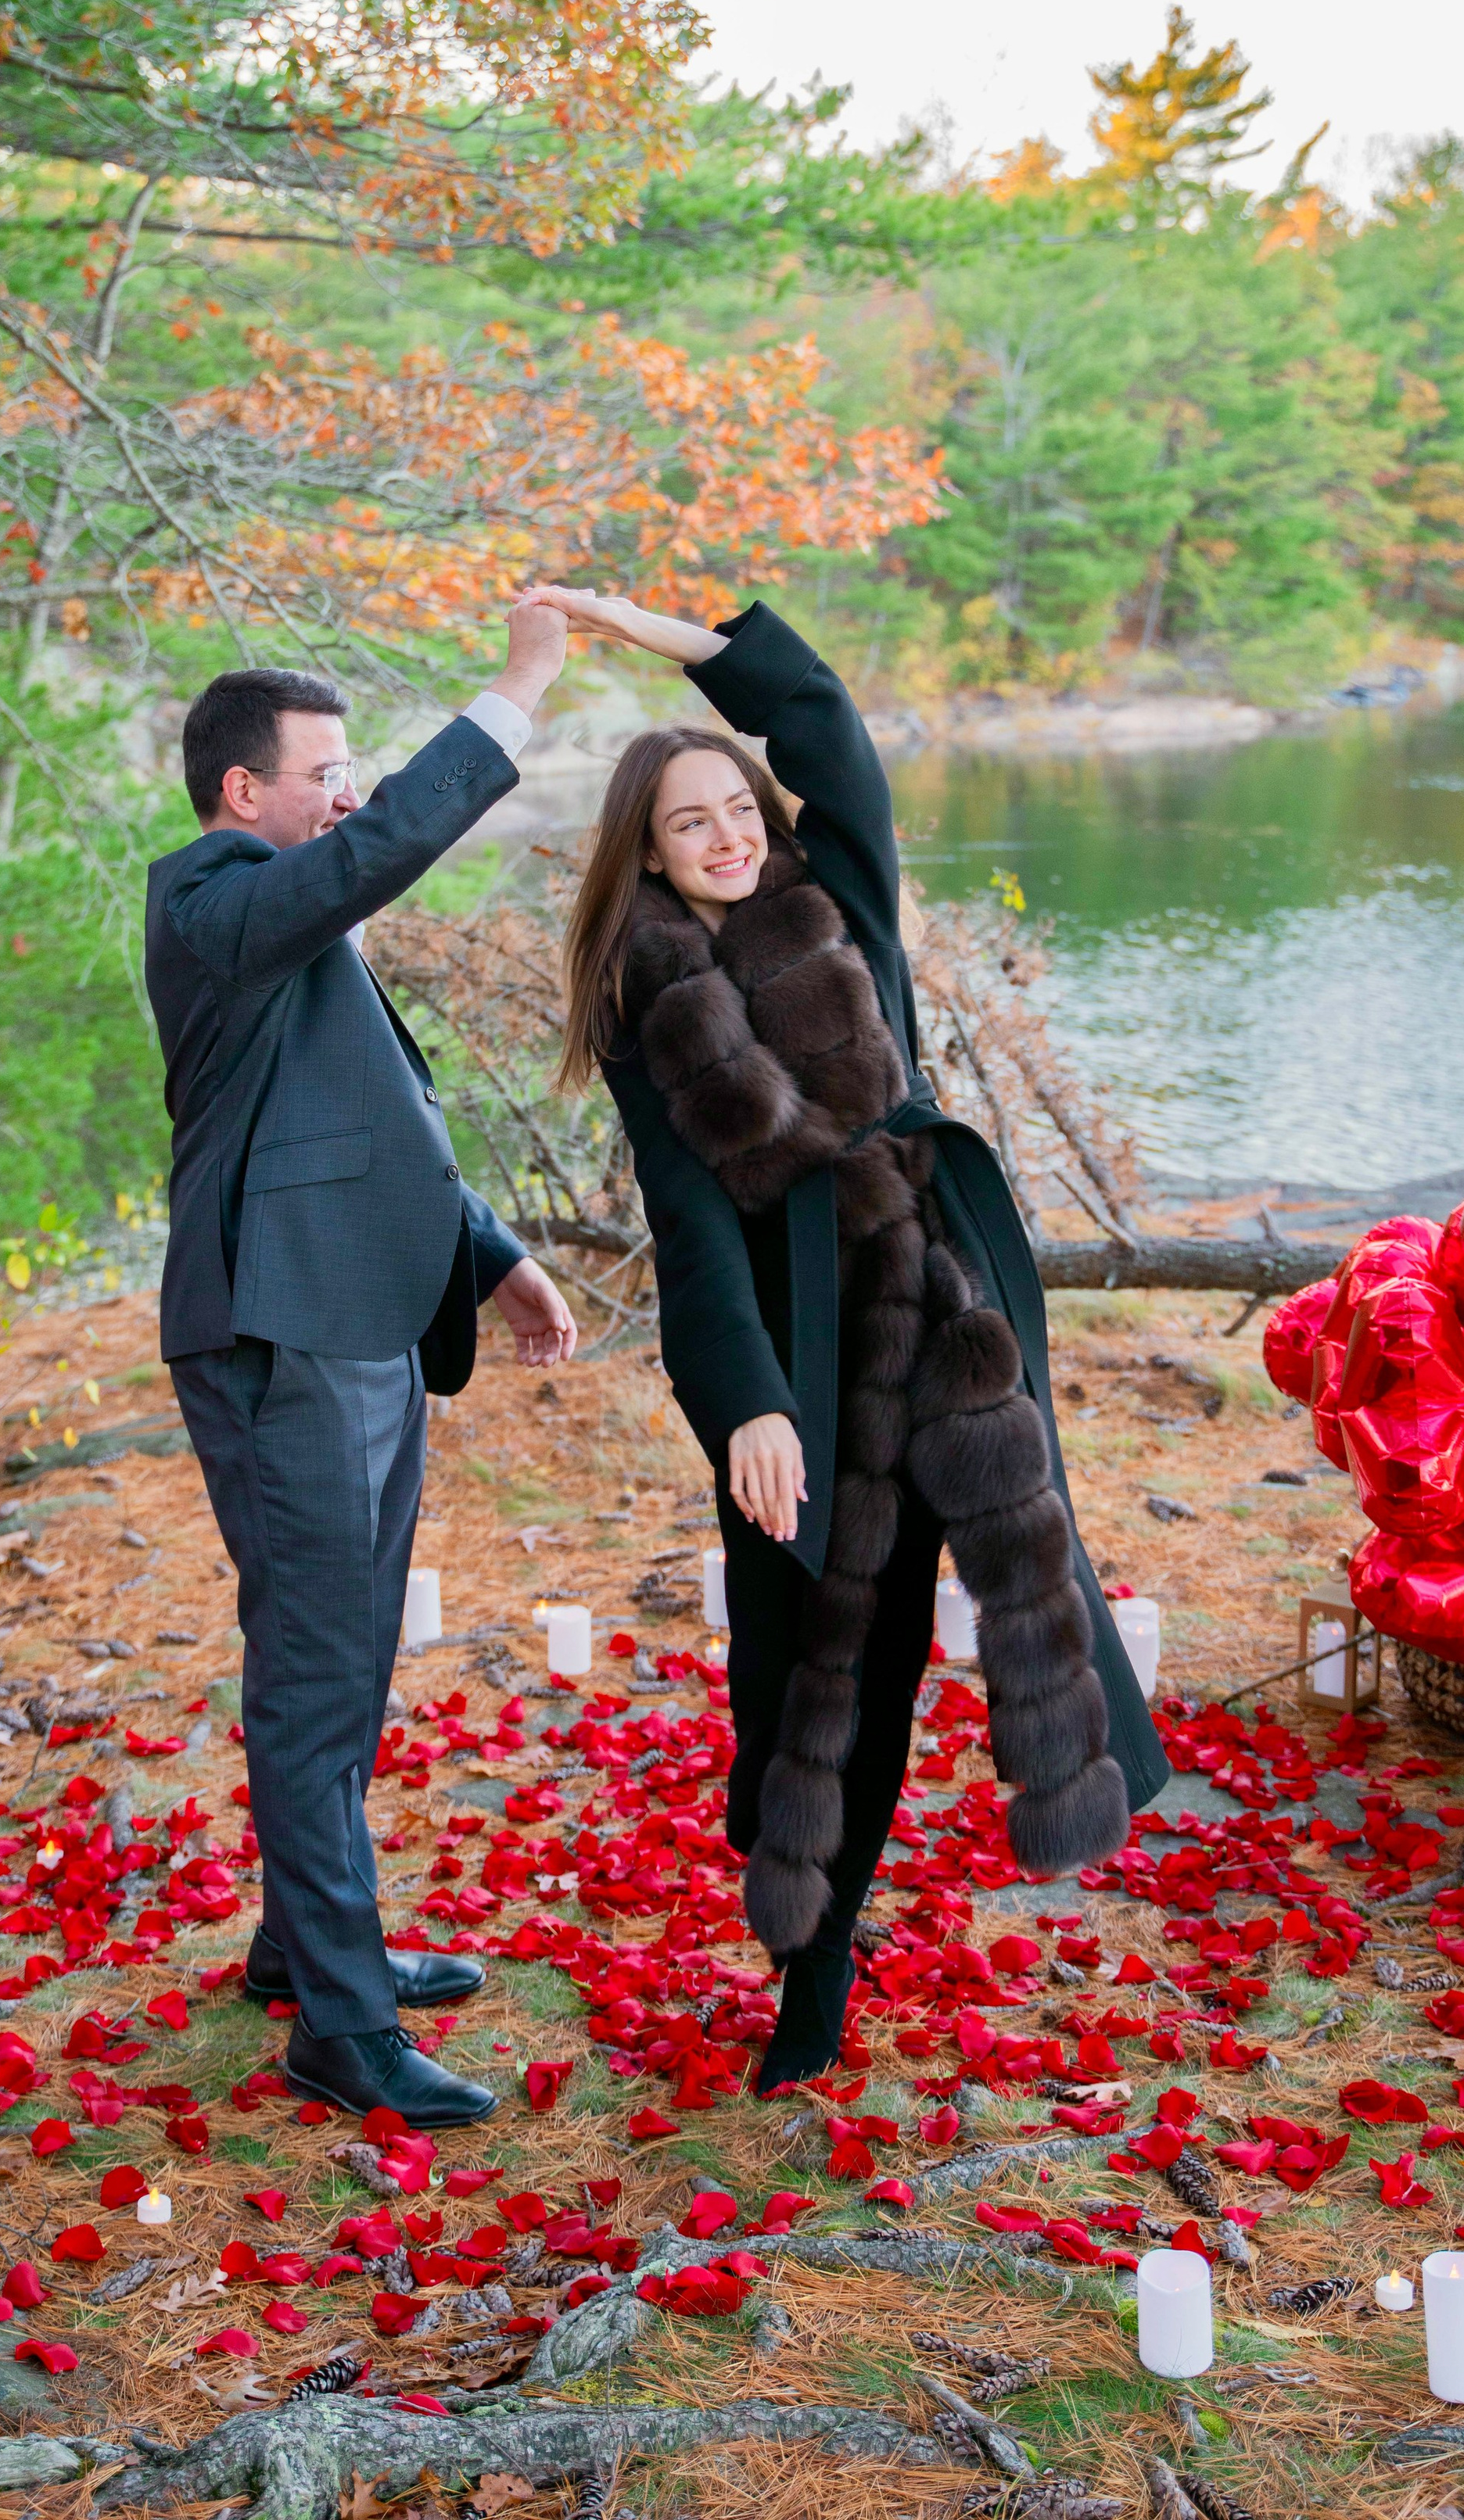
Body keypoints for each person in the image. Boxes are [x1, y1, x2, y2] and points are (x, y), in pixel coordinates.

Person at [540, 586, 1168, 2092]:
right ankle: (811, 1959)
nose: (725, 837)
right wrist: (748, 1406)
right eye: (687, 825)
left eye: (733, 808)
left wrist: (653, 631)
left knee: (1029, 1578)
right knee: (822, 1672)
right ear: (647, 855)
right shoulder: (648, 1009)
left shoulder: (843, 897)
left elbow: (828, 728)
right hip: (804, 1351)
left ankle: (1022, 1845)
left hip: (942, 1308)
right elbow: (691, 1237)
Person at [147, 608, 580, 2129]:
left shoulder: (290, 928)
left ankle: (298, 1945)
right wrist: (514, 690)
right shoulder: (213, 898)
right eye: (321, 769)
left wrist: (494, 1252)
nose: (344, 791)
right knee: (315, 1675)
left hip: (365, 1323)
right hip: (281, 1337)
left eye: (350, 770)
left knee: (340, 1662)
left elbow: (366, 1121)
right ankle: (339, 2024)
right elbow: (376, 850)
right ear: (237, 793)